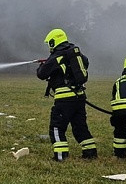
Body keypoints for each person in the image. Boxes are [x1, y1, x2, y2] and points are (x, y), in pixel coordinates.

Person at [36, 28, 96, 160]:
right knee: (80, 127)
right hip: (79, 97)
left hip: (64, 99)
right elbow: (85, 63)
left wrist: (42, 66)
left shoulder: (56, 56)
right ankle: (90, 153)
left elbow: (42, 74)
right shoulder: (75, 53)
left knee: (57, 127)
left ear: (53, 42)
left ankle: (60, 156)